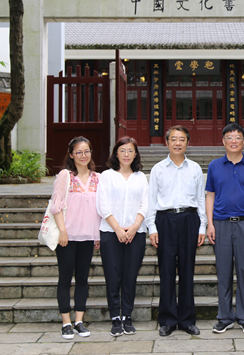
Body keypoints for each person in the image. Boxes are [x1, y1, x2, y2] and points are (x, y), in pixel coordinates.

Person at [145, 125, 207, 337]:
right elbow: (151, 201)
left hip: (189, 219)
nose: (177, 143)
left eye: (182, 139)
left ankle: (187, 320)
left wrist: (202, 226)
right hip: (165, 220)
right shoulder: (158, 169)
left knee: (188, 271)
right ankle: (168, 320)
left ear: (187, 143)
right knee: (167, 271)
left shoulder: (196, 169)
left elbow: (200, 200)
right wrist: (152, 227)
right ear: (167, 142)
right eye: (173, 139)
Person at [205, 123, 244, 335]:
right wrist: (209, 223)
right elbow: (210, 195)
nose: (233, 141)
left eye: (237, 137)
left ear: (243, 141)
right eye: (229, 137)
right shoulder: (214, 166)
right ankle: (224, 317)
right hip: (221, 224)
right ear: (223, 141)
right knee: (223, 272)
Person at [96, 137, 148, 337]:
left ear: (135, 154)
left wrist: (134, 227)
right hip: (111, 232)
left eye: (130, 151)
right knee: (112, 276)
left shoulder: (141, 177)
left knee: (129, 277)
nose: (126, 154)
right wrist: (117, 228)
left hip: (136, 233)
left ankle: (127, 315)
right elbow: (103, 205)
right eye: (122, 150)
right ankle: (115, 317)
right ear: (116, 153)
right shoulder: (107, 176)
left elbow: (145, 204)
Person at [50, 136, 101, 340]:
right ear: (71, 155)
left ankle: (79, 320)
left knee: (82, 279)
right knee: (65, 279)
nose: (83, 156)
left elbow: (99, 210)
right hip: (68, 237)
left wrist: (97, 235)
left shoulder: (98, 178)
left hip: (88, 237)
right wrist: (63, 231)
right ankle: (66, 322)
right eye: (78, 152)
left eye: (86, 151)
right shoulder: (66, 175)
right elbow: (56, 205)